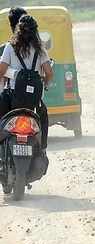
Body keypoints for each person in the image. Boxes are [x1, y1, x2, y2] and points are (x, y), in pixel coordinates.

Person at [0, 15, 53, 151]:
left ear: (19, 30)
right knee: (43, 118)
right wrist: (45, 85)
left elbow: (1, 70)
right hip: (33, 102)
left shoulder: (10, 47)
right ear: (35, 31)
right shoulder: (40, 49)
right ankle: (42, 148)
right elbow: (49, 72)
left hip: (12, 100)